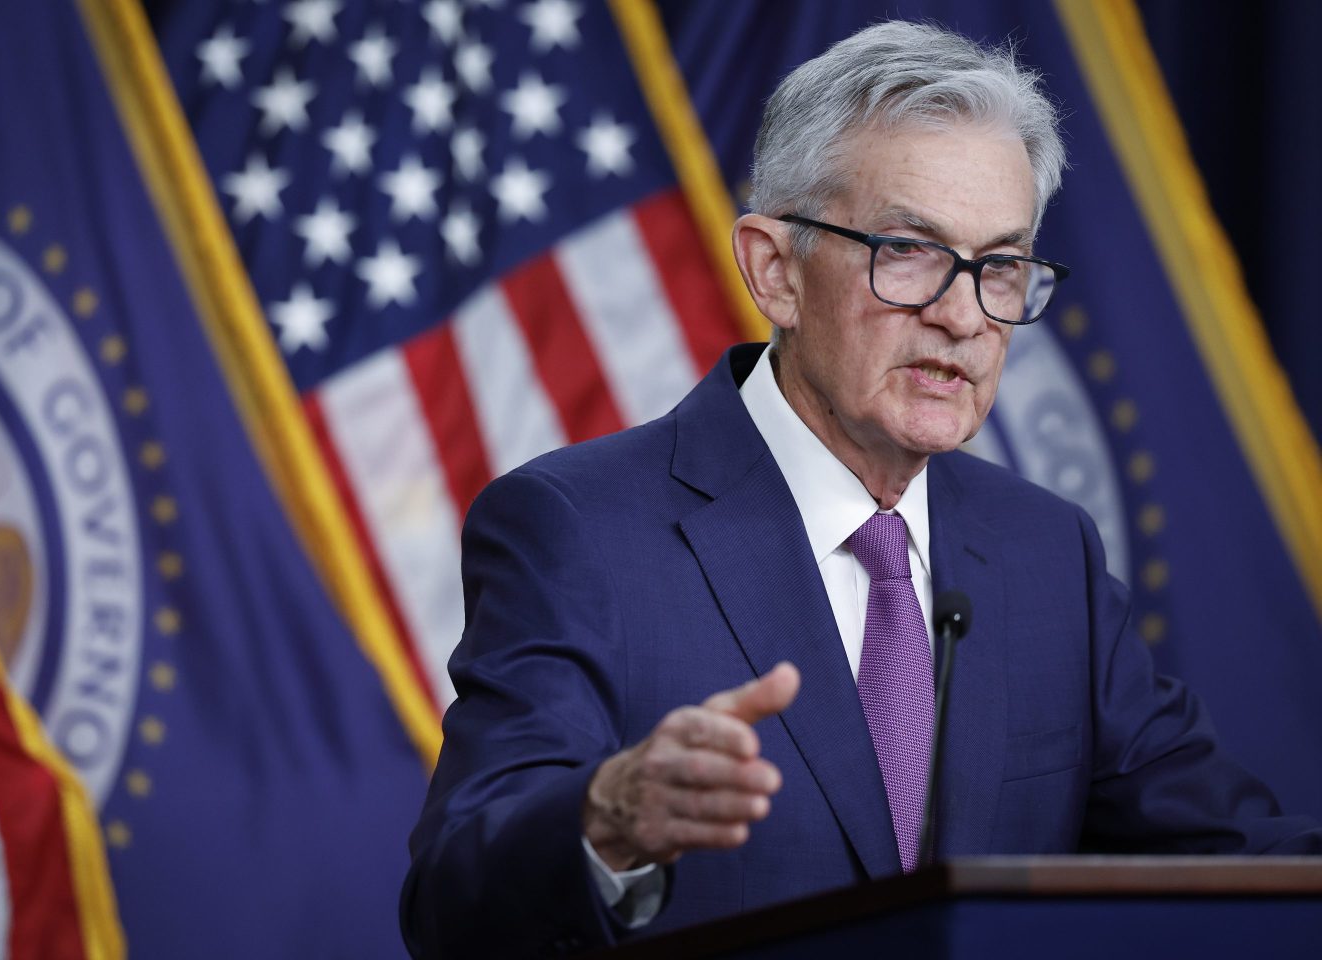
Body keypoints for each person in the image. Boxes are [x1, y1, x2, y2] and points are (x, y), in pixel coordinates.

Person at [400, 20, 1320, 959]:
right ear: (776, 270)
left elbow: (1233, 856)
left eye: (999, 266)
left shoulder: (1047, 553)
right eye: (910, 252)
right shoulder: (578, 530)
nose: (962, 315)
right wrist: (608, 820)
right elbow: (454, 898)